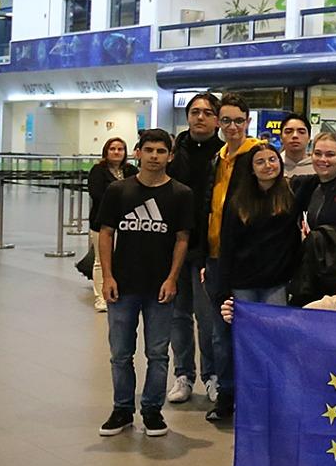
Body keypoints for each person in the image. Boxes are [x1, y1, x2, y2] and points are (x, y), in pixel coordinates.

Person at [96, 130, 193, 438]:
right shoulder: (118, 191)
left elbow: (182, 239)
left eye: (161, 151)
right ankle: (122, 409)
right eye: (148, 150)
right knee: (120, 353)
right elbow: (106, 233)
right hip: (123, 285)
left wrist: (172, 278)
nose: (154, 156)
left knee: (158, 353)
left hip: (159, 288)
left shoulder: (181, 194)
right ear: (137, 153)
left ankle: (152, 410)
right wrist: (107, 277)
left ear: (170, 156)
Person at [210, 143, 304, 421]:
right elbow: (226, 246)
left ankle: (272, 399)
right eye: (260, 161)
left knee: (275, 345)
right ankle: (232, 396)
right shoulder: (238, 201)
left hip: (276, 283)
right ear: (251, 169)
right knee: (241, 344)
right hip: (243, 283)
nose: (267, 166)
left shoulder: (290, 195)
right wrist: (223, 287)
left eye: (272, 160)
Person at [204, 93, 262, 421]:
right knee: (220, 332)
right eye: (225, 120)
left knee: (250, 333)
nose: (232, 127)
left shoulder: (256, 155)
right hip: (215, 260)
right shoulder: (218, 158)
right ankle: (225, 395)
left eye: (238, 120)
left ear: (247, 121)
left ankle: (254, 398)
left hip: (245, 263)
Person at [166, 92, 221, 403]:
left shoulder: (225, 154)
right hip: (174, 248)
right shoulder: (174, 151)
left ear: (216, 119)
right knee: (178, 314)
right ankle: (182, 374)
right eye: (195, 111)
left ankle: (211, 374)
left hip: (208, 250)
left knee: (207, 316)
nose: (200, 117)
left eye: (207, 112)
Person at [87, 136, 136, 313]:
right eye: (113, 149)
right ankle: (101, 297)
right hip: (102, 222)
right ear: (106, 152)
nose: (116, 152)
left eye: (120, 149)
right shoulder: (97, 171)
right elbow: (97, 194)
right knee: (101, 260)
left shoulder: (131, 170)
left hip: (128, 222)